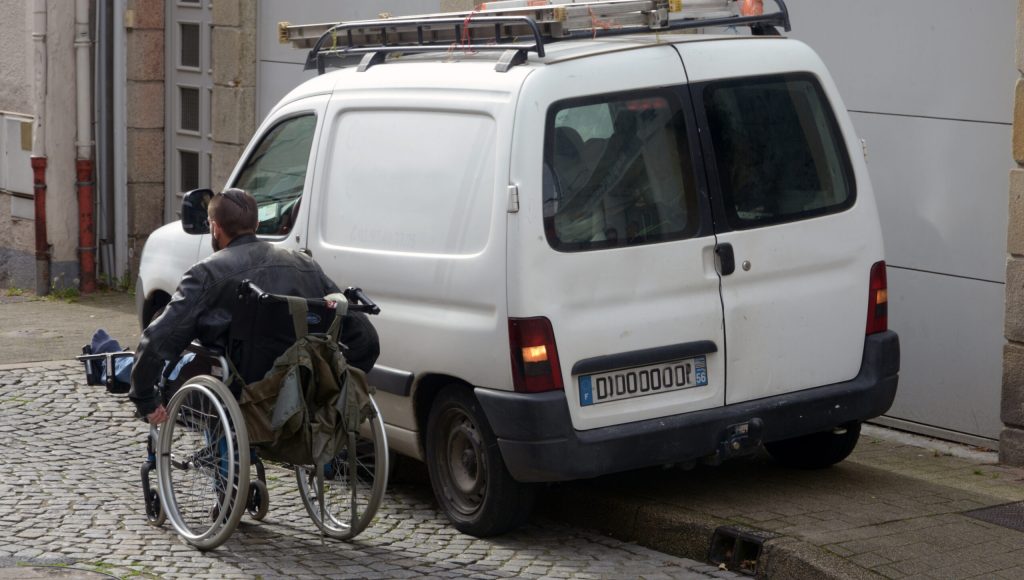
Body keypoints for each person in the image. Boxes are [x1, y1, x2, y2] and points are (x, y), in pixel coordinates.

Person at [129, 188, 379, 425]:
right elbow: (366, 339)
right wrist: (332, 384)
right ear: (256, 226)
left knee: (197, 351)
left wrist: (144, 399)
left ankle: (221, 452)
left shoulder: (207, 273)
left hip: (248, 396)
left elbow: (161, 338)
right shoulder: (304, 265)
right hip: (304, 389)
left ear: (215, 228)